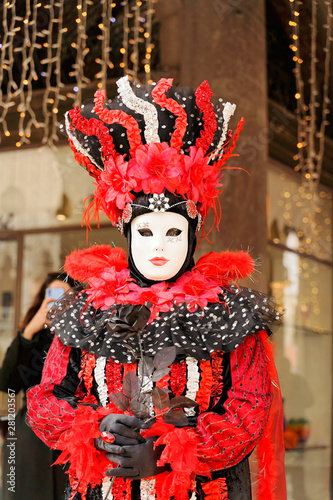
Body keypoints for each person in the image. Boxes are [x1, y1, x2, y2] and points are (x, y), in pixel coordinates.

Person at [27, 76, 286, 500]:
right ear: (128, 235)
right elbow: (44, 398)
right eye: (146, 232)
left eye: (173, 232)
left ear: (193, 236)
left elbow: (249, 410)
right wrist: (92, 427)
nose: (160, 246)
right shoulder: (88, 311)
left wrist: (171, 453)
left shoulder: (228, 314)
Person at [0, 272, 75, 500]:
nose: (57, 301)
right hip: (30, 432)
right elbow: (7, 383)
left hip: (72, 432)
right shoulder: (33, 337)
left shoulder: (84, 339)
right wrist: (30, 330)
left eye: (65, 296)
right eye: (52, 295)